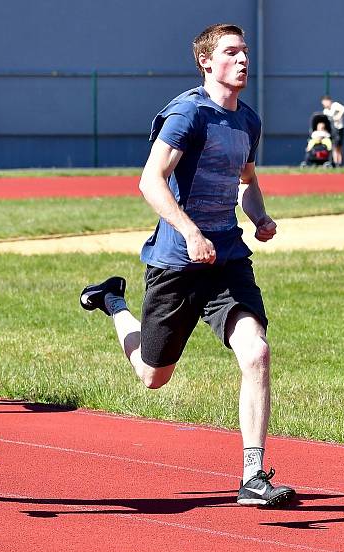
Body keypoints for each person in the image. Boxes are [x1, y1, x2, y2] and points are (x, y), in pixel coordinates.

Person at [80, 23, 295, 507]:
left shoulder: (248, 122)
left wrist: (258, 216)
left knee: (256, 353)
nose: (243, 60)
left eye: (245, 52)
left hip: (227, 261)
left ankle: (253, 476)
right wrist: (190, 231)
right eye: (231, 52)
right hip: (177, 261)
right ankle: (113, 301)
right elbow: (150, 182)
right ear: (206, 61)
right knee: (152, 376)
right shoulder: (187, 113)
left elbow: (246, 180)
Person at [321, 95, 344, 166]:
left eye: (325, 102)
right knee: (334, 146)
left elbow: (343, 109)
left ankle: (340, 163)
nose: (324, 104)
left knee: (339, 146)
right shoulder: (325, 111)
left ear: (329, 101)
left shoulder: (335, 105)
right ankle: (335, 163)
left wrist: (338, 116)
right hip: (332, 130)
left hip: (339, 128)